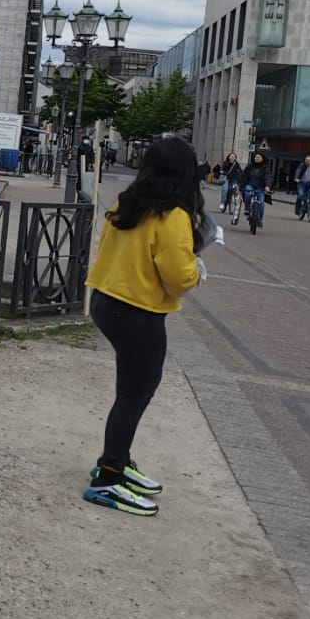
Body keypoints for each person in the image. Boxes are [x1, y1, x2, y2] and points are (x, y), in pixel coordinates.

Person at [82, 136, 205, 517]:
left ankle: (117, 459)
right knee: (135, 394)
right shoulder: (174, 215)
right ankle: (109, 476)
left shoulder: (127, 202)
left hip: (106, 299)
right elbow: (179, 278)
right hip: (138, 311)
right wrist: (197, 270)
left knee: (131, 390)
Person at [241, 151, 271, 230]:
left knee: (261, 201)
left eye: (259, 157)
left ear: (262, 159)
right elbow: (244, 176)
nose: (257, 158)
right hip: (250, 185)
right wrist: (241, 187)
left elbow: (268, 177)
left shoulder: (265, 168)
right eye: (256, 157)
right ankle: (247, 209)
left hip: (260, 187)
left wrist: (267, 186)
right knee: (248, 193)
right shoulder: (249, 166)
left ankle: (260, 219)